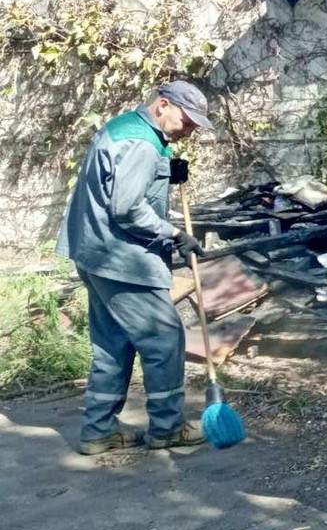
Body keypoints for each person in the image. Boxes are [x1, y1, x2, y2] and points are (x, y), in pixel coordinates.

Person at [57, 81, 213, 456]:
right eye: (188, 120)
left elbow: (123, 184)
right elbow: (127, 208)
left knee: (113, 344)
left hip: (94, 253)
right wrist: (175, 234)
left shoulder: (127, 128)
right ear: (163, 105)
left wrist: (166, 171)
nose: (191, 130)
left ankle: (99, 431)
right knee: (163, 338)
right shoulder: (142, 144)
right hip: (122, 260)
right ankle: (167, 428)